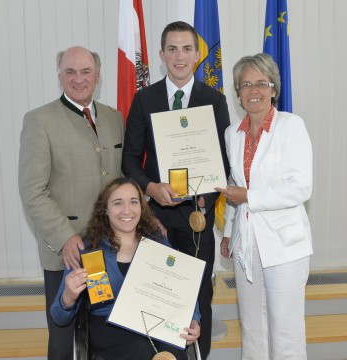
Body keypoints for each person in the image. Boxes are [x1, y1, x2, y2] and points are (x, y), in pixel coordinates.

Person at [121, 21, 230, 360]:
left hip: (197, 219)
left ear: (197, 55)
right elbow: (129, 161)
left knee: (200, 296)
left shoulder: (215, 100)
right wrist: (151, 187)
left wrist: (206, 195)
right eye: (172, 49)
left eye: (186, 49)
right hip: (157, 221)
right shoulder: (145, 98)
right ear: (161, 54)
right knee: (159, 295)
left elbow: (224, 162)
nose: (179, 57)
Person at [18, 46, 125, 360]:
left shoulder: (114, 117)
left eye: (86, 71)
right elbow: (32, 191)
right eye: (70, 72)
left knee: (105, 334)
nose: (79, 79)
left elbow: (120, 179)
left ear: (98, 75)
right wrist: (66, 238)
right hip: (67, 254)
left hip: (109, 249)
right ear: (59, 76)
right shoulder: (39, 121)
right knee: (65, 339)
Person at [215, 53, 313, 359]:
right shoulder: (233, 133)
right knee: (252, 328)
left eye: (261, 83)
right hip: (246, 244)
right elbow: (234, 186)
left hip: (284, 245)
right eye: (245, 84)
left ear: (274, 89)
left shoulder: (290, 126)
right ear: (237, 92)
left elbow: (300, 188)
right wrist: (230, 232)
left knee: (285, 330)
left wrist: (250, 198)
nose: (253, 90)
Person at [50, 177, 200, 360]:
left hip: (156, 319)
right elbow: (59, 317)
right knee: (141, 349)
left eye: (134, 202)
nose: (127, 210)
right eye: (118, 203)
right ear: (104, 209)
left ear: (141, 207)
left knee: (173, 352)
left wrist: (194, 319)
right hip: (108, 323)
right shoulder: (87, 249)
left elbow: (182, 289)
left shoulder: (158, 242)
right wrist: (69, 296)